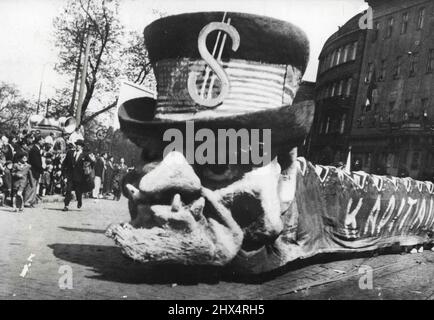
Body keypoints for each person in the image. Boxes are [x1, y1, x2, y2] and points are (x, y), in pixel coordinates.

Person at [62, 139, 93, 211]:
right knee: (68, 190)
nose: (77, 146)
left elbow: (91, 163)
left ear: (82, 147)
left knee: (78, 191)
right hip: (70, 175)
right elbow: (65, 163)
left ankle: (79, 201)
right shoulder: (70, 153)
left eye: (79, 145)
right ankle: (66, 205)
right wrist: (63, 173)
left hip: (80, 176)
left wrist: (87, 167)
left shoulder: (85, 155)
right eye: (77, 145)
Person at [24, 135, 45, 207]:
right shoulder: (34, 149)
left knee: (34, 185)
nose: (43, 141)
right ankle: (27, 201)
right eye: (42, 140)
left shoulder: (36, 149)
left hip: (36, 170)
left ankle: (31, 201)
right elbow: (35, 162)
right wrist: (41, 169)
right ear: (39, 141)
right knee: (31, 185)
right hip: (34, 170)